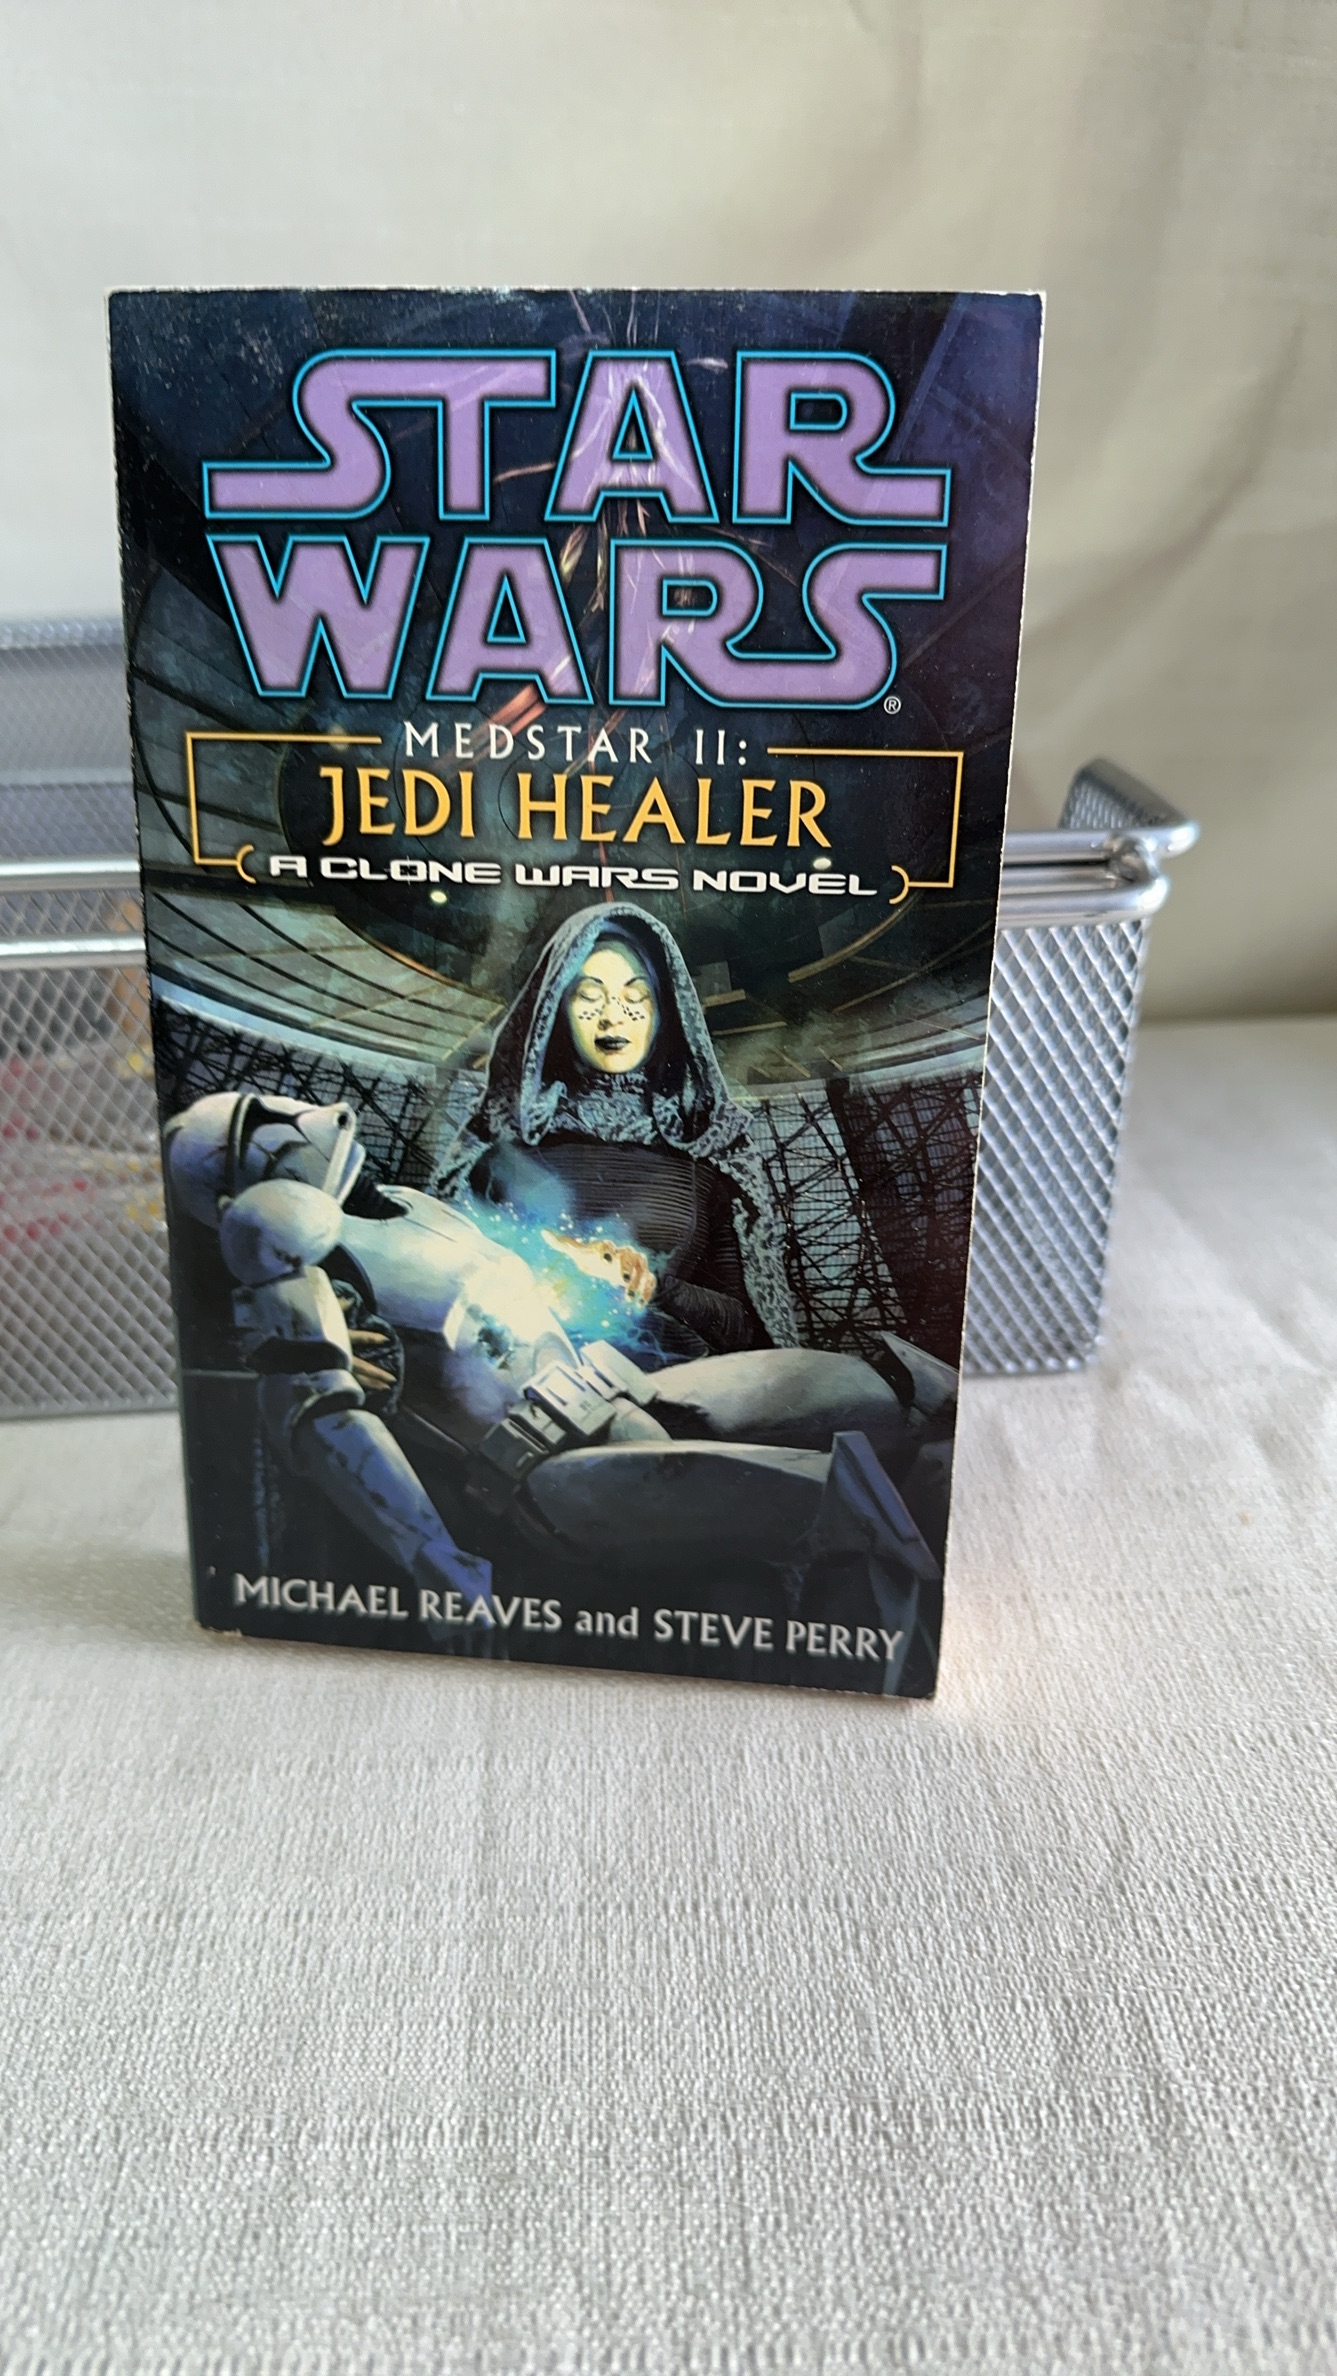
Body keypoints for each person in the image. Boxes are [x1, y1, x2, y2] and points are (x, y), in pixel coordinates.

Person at [438, 904, 794, 1363]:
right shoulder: (497, 1145)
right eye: (588, 995)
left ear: (664, 1009)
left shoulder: (709, 1149)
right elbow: (440, 1289)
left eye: (635, 996)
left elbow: (749, 1331)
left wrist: (652, 1284)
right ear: (554, 1008)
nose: (612, 1016)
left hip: (677, 1392)